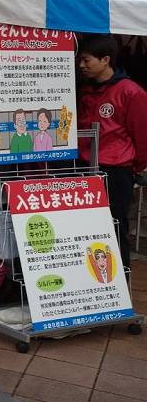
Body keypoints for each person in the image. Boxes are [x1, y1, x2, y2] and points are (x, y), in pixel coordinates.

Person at [77, 34, 147, 268]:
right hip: (84, 165)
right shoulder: (86, 90)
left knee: (115, 225)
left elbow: (142, 136)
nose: (81, 65)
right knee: (85, 226)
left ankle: (121, 281)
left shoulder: (131, 92)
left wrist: (134, 168)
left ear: (105, 60)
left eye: (87, 60)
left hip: (116, 170)